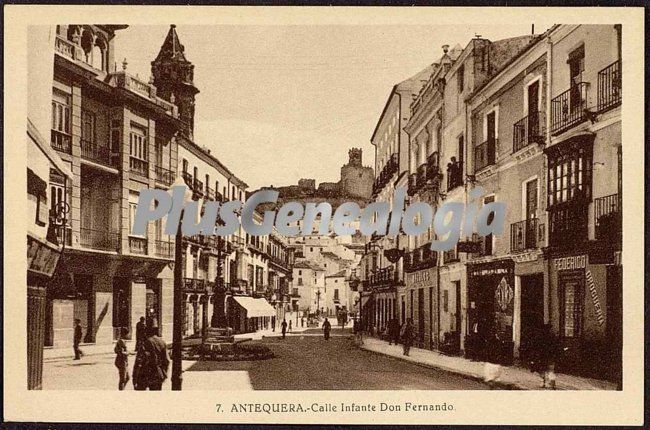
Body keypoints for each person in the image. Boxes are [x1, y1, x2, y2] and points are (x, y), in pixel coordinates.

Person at [133, 325, 169, 391]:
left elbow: (139, 361)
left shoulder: (145, 343)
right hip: (158, 374)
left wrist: (134, 377)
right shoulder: (162, 342)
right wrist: (164, 374)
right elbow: (166, 360)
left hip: (145, 374)